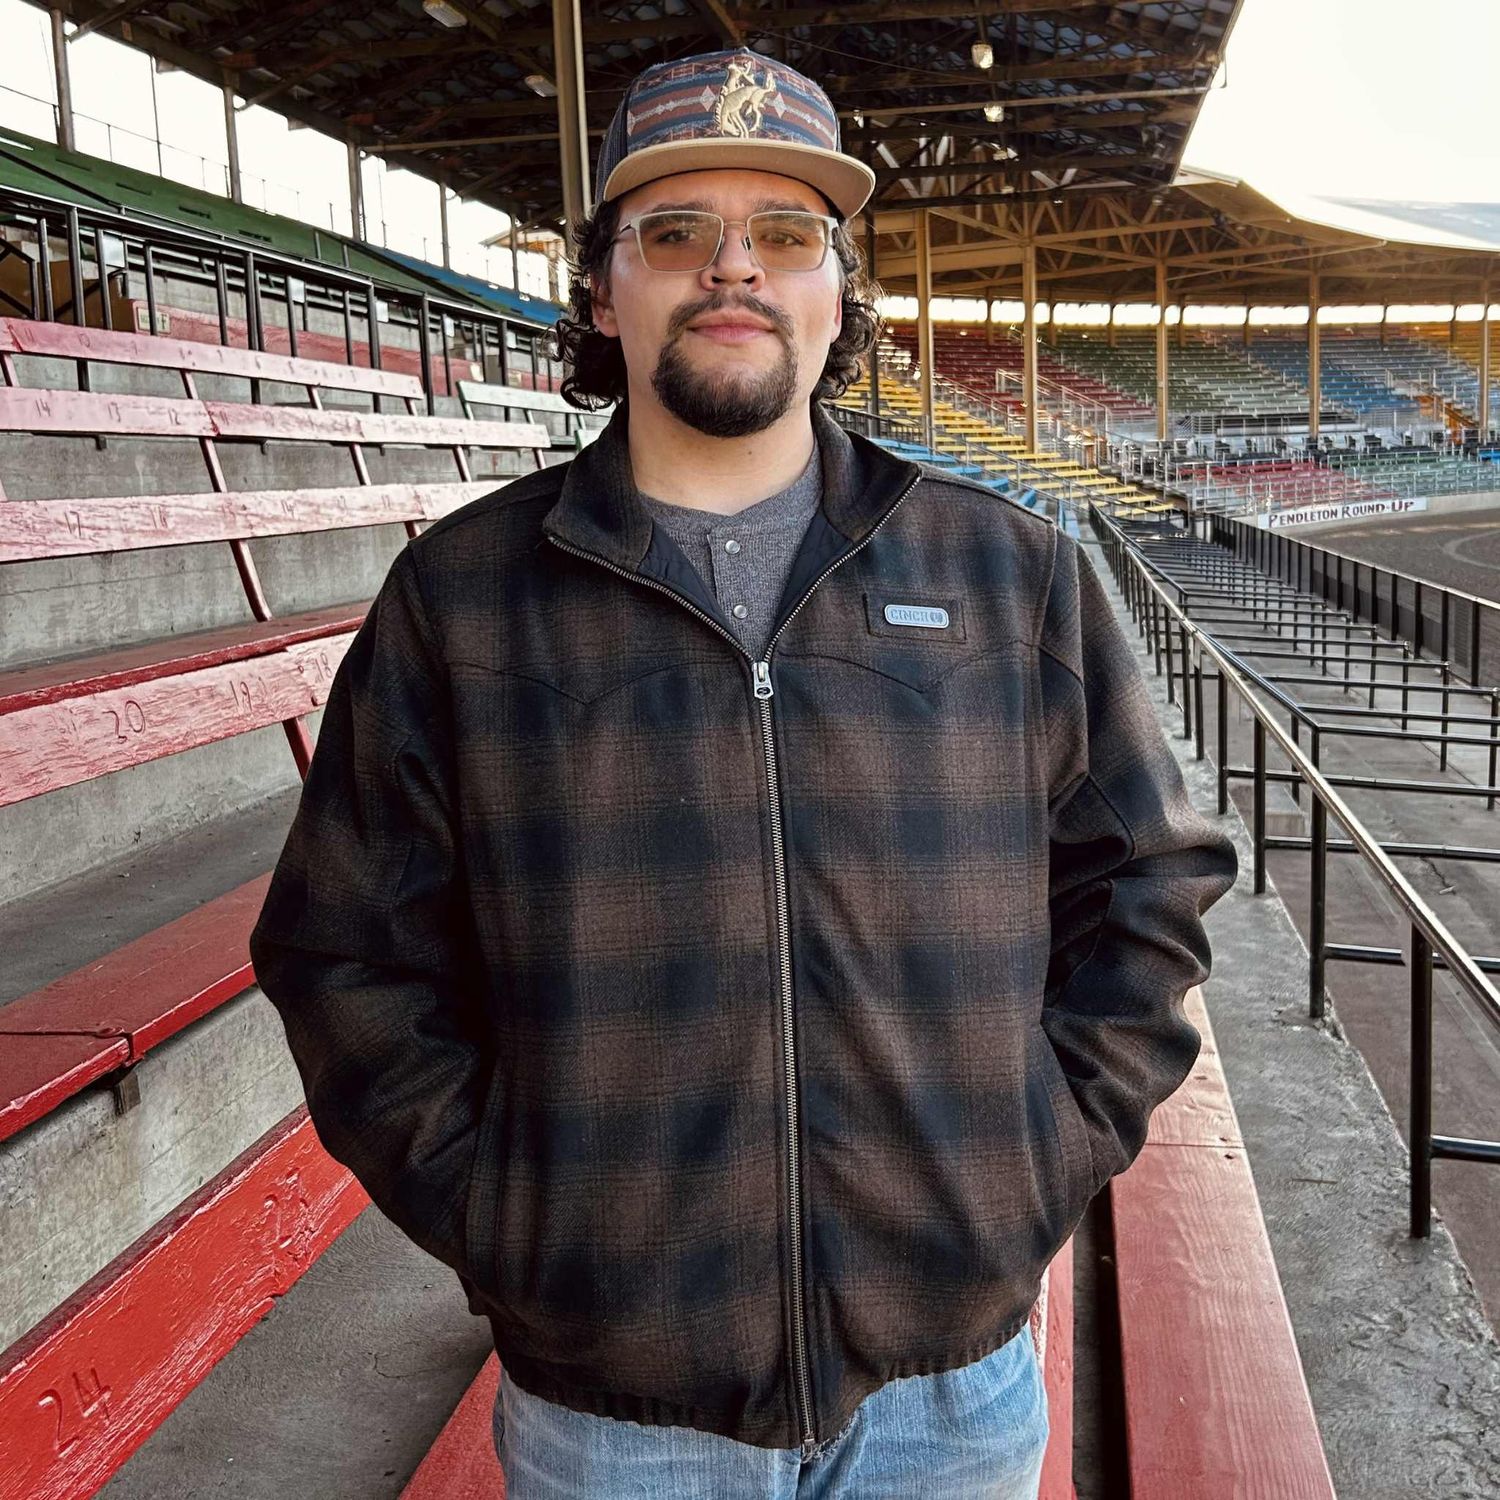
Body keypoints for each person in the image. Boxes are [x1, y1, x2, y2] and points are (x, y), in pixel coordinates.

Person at [249, 46, 1238, 1500]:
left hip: (947, 1387)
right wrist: (515, 1223)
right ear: (602, 289)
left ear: (840, 293)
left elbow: (1149, 887)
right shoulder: (463, 602)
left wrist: (1025, 1171)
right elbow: (344, 952)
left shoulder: (1005, 570)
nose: (733, 270)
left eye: (783, 235)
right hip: (613, 1409)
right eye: (674, 234)